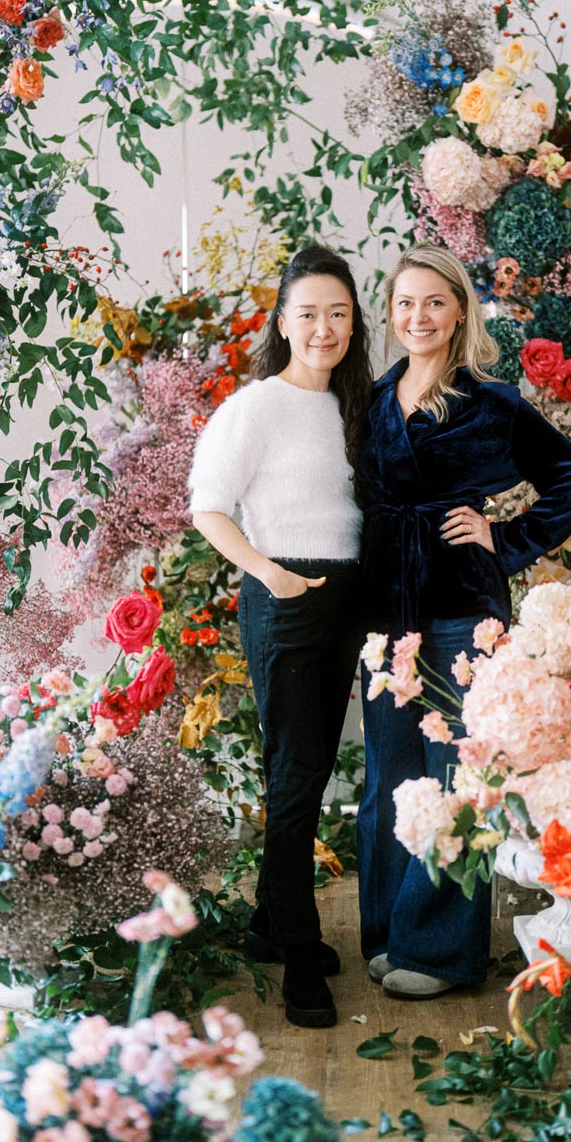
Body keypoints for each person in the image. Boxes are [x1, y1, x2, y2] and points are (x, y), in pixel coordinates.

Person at [356, 242, 571, 1000]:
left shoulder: (491, 403)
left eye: (434, 301)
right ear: (390, 317)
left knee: (455, 777)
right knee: (389, 779)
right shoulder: (371, 399)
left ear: (461, 309)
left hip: (463, 611)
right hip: (384, 610)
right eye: (405, 303)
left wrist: (507, 538)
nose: (418, 316)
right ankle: (390, 932)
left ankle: (440, 953)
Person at [188, 245, 372, 1028]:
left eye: (338, 312)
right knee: (295, 783)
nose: (324, 328)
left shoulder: (359, 404)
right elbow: (209, 508)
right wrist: (271, 574)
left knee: (312, 766)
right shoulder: (255, 406)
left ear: (354, 321)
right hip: (287, 595)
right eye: (309, 314)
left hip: (349, 598)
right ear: (283, 322)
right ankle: (302, 958)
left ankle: (268, 924)